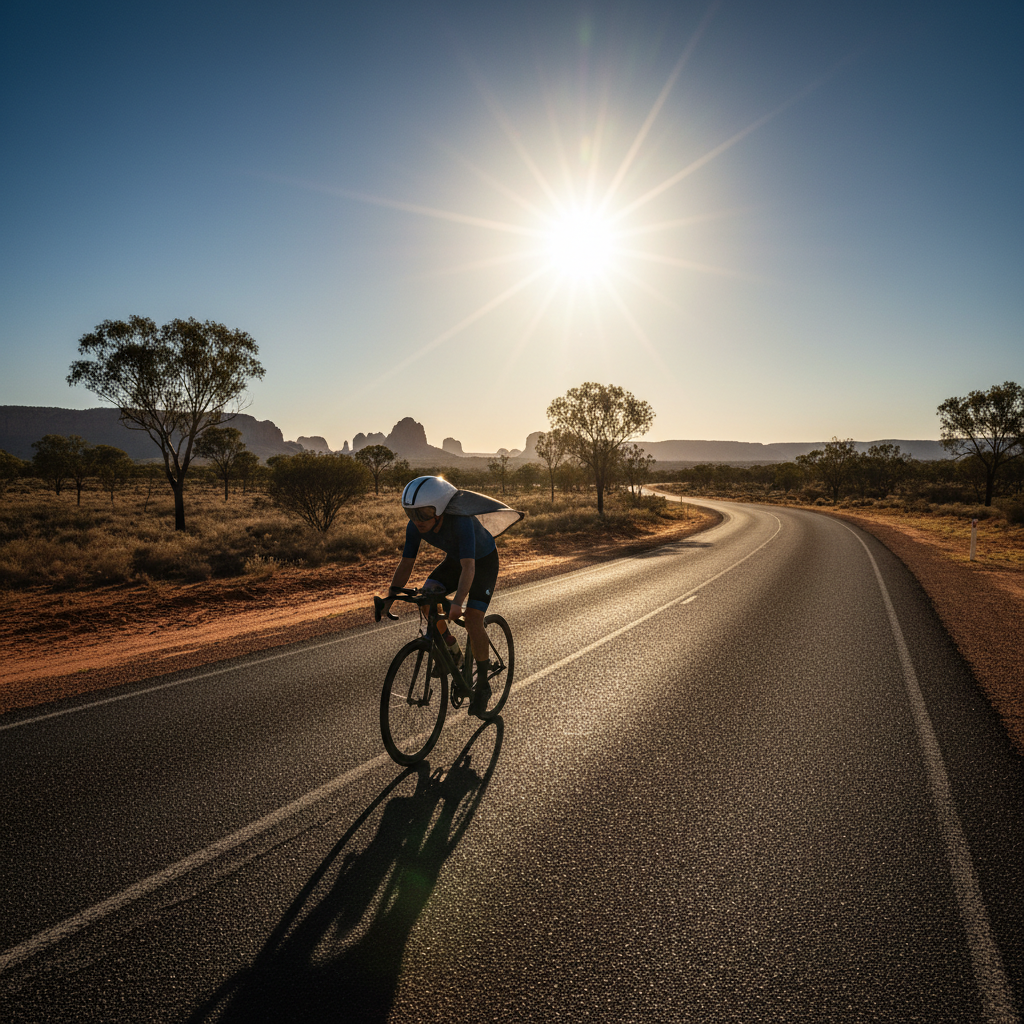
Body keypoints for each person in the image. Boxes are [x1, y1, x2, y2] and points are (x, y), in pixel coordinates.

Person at [382, 475, 523, 717]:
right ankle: (454, 653)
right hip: (455, 562)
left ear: (439, 509)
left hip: (482, 563)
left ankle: (484, 687)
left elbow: (469, 568)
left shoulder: (461, 522)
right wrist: (390, 596)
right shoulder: (415, 527)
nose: (417, 521)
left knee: (472, 620)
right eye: (411, 514)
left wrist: (458, 603)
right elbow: (406, 564)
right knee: (427, 602)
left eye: (424, 513)